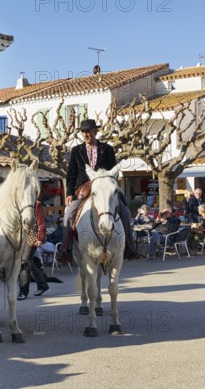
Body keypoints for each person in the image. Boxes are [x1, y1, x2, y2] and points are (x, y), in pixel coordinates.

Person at [61, 119, 134, 260]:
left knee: (124, 211)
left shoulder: (107, 149)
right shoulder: (76, 150)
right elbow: (71, 174)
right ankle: (66, 248)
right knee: (69, 214)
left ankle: (130, 246)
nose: (85, 134)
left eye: (88, 131)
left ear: (95, 131)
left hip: (104, 186)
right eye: (83, 131)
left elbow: (113, 170)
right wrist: (69, 193)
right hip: (83, 187)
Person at [18, 201, 63, 300]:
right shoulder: (18, 202)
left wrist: (41, 237)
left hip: (33, 237)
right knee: (29, 262)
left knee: (24, 261)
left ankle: (23, 291)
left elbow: (41, 222)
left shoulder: (36, 204)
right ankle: (42, 285)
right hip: (22, 237)